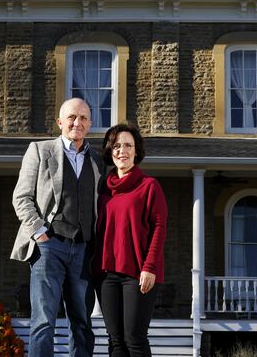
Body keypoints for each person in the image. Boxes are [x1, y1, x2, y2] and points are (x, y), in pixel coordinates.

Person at [11, 98, 103, 357]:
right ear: (60, 122)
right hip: (49, 246)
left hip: (84, 249)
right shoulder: (40, 150)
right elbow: (22, 197)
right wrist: (39, 231)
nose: (78, 122)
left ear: (90, 124)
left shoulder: (97, 161)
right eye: (72, 117)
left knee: (82, 322)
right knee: (43, 321)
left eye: (84, 118)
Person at [94, 122, 168, 357]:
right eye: (116, 146)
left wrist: (150, 267)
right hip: (106, 274)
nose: (121, 151)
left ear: (136, 151)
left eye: (128, 145)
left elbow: (159, 227)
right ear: (109, 150)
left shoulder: (149, 186)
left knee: (134, 338)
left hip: (138, 273)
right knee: (115, 341)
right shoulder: (103, 189)